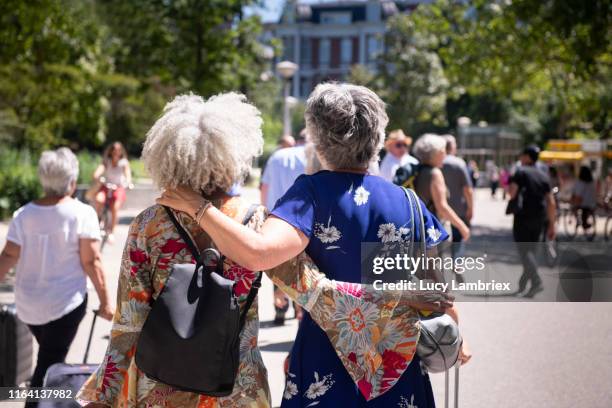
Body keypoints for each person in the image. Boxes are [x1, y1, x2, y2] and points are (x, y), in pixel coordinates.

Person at [158, 84, 468, 407]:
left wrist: (198, 207)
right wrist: (456, 339)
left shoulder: (312, 194)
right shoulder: (411, 204)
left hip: (326, 363)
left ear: (318, 140)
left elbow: (258, 253)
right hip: (397, 369)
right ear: (377, 137)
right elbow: (442, 299)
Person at [78, 93, 274, 407]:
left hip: (162, 385)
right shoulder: (256, 222)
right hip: (238, 387)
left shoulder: (148, 226)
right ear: (235, 155)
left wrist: (104, 395)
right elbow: (309, 291)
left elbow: (129, 321)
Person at [0, 148, 113, 407]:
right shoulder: (82, 213)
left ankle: (51, 399)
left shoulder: (24, 213)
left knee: (50, 356)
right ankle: (40, 403)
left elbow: (8, 255)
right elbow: (91, 261)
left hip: (28, 306)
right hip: (65, 304)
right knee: (49, 364)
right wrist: (106, 302)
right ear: (72, 181)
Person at [260, 129, 307, 325]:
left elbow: (264, 186)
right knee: (302, 268)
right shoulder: (310, 156)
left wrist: (263, 214)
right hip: (302, 217)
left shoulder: (276, 156)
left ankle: (280, 310)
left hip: (276, 215)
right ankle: (300, 311)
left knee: (277, 264)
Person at [508, 145, 556, 298]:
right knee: (531, 252)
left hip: (523, 216)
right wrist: (552, 224)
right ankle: (523, 286)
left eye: (522, 155)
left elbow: (512, 192)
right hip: (540, 217)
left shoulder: (520, 172)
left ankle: (536, 282)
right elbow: (551, 202)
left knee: (524, 251)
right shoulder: (543, 175)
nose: (520, 158)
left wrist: (510, 184)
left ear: (528, 157)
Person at [412, 134, 471, 244]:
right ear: (435, 153)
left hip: (417, 227)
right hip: (431, 228)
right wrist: (462, 226)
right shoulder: (435, 173)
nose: (445, 154)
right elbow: (442, 207)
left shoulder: (417, 170)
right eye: (443, 151)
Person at [441, 135, 473, 275]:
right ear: (453, 147)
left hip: (438, 209)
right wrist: (471, 208)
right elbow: (468, 189)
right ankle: (457, 262)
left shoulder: (436, 162)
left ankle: (439, 271)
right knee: (458, 237)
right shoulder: (459, 163)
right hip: (458, 207)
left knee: (439, 239)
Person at [92, 142, 132, 243]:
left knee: (115, 208)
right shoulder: (106, 161)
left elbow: (128, 175)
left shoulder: (124, 163)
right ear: (111, 150)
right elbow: (97, 172)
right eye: (114, 149)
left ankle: (112, 232)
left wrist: (128, 182)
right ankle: (99, 219)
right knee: (98, 199)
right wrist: (97, 177)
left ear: (121, 151)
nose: (116, 152)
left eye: (118, 150)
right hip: (106, 186)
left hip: (118, 187)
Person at [571, 166, 597, 230]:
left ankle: (578, 220)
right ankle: (583, 222)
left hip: (583, 203)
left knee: (573, 208)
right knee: (584, 210)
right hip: (592, 203)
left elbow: (578, 195)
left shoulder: (580, 182)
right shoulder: (592, 182)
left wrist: (573, 201)